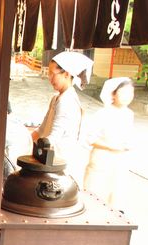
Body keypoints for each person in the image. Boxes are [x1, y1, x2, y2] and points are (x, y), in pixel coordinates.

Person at [31, 51, 94, 185]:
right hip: (49, 160)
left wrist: (41, 142)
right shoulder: (56, 99)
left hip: (59, 163)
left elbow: (53, 137)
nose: (50, 78)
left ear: (66, 74)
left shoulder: (67, 101)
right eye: (49, 73)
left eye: (53, 74)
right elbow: (42, 129)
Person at [83, 77, 135, 210]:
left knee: (115, 196)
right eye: (123, 93)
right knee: (95, 196)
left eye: (130, 93)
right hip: (101, 159)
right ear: (113, 94)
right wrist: (111, 146)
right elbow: (90, 138)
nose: (127, 97)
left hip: (120, 161)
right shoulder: (103, 113)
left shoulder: (129, 114)